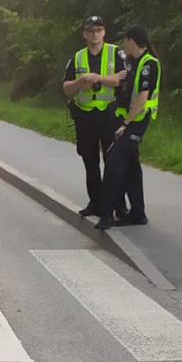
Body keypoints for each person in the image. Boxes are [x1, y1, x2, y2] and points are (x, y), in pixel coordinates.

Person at [61, 15, 131, 217]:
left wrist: (100, 78)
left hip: (109, 114)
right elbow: (66, 88)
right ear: (85, 34)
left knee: (113, 162)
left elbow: (123, 80)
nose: (95, 34)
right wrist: (81, 81)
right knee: (90, 161)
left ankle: (119, 205)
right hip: (85, 116)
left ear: (104, 32)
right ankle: (96, 202)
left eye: (98, 30)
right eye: (91, 31)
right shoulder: (77, 57)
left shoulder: (116, 53)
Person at [95, 25, 160, 230]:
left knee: (113, 164)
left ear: (133, 41)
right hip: (126, 119)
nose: (123, 44)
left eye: (125, 40)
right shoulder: (132, 62)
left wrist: (125, 124)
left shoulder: (149, 64)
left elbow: (142, 98)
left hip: (137, 121)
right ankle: (138, 213)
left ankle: (106, 214)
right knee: (132, 166)